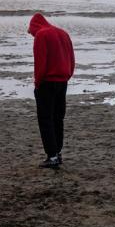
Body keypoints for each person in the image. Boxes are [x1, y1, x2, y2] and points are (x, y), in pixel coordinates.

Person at [27, 12, 75, 169]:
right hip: (63, 81)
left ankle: (52, 156)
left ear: (35, 27)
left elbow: (40, 62)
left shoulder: (41, 35)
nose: (33, 36)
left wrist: (37, 82)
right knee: (58, 118)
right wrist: (67, 75)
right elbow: (71, 59)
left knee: (45, 119)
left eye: (32, 32)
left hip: (47, 82)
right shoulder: (63, 33)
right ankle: (58, 153)